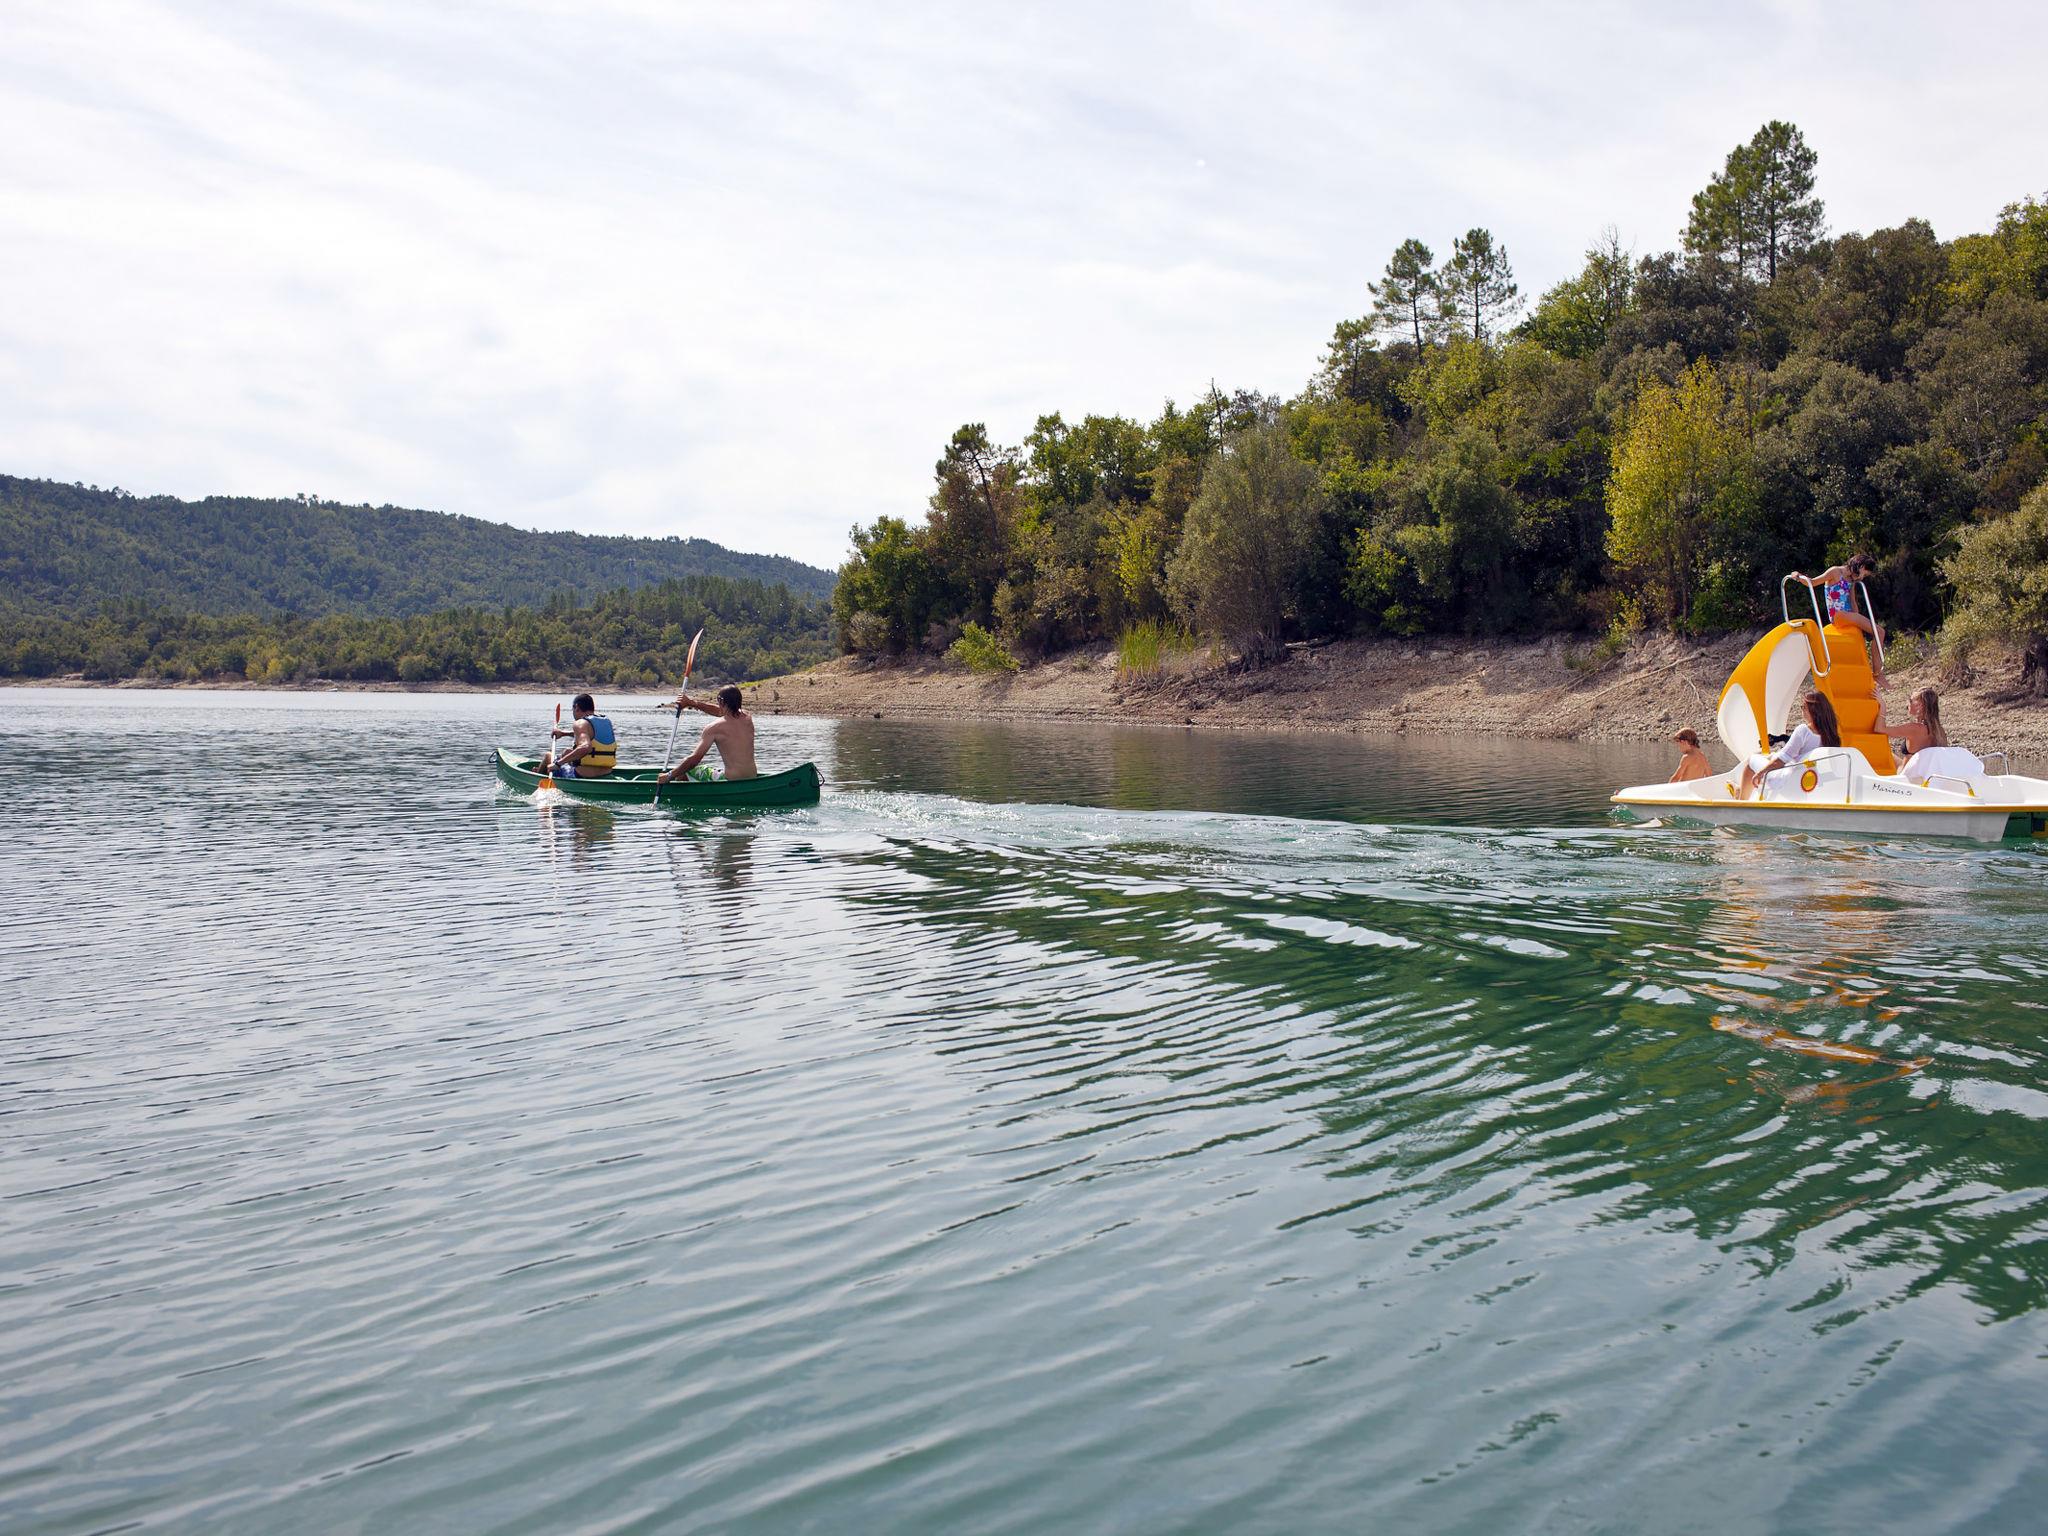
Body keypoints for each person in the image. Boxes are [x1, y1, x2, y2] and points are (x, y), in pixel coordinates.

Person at [1790, 555, 1886, 682]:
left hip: (1848, 616)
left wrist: (1858, 626)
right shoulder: (1835, 572)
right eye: (1865, 574)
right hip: (1838, 616)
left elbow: (1853, 602)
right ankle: (1878, 674)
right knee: (1878, 631)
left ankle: (1876, 672)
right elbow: (1812, 583)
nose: (1862, 578)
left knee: (1880, 632)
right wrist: (1798, 576)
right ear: (1861, 567)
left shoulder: (1851, 580)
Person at [1740, 690, 1840, 799]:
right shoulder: (1831, 735)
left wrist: (1760, 773)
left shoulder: (1804, 731)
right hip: (1807, 781)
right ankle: (1740, 791)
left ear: (1813, 710)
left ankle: (1740, 800)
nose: (1802, 710)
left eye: (1803, 707)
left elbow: (1781, 761)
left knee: (1751, 760)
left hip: (1786, 781)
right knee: (1770, 756)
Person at [1880, 687, 1986, 786]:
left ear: (1920, 705)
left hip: (1906, 778)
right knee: (1888, 754)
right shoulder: (1939, 731)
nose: (1907, 704)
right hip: (1925, 778)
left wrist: (1882, 707)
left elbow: (1880, 729)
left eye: (1910, 700)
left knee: (1881, 750)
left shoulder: (1914, 728)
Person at [657, 684, 758, 785]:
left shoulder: (714, 728)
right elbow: (719, 711)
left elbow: (694, 760)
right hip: (751, 777)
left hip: (731, 780)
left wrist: (669, 775)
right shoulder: (747, 717)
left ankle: (683, 793)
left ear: (721, 701)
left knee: (685, 767)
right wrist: (691, 703)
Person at [540, 693, 617, 779]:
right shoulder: (605, 721)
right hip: (606, 773)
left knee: (548, 756)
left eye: (572, 709)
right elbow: (589, 736)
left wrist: (558, 764)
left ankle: (537, 778)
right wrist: (563, 733)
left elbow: (586, 747)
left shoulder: (580, 723)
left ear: (576, 707)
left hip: (583, 775)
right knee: (567, 752)